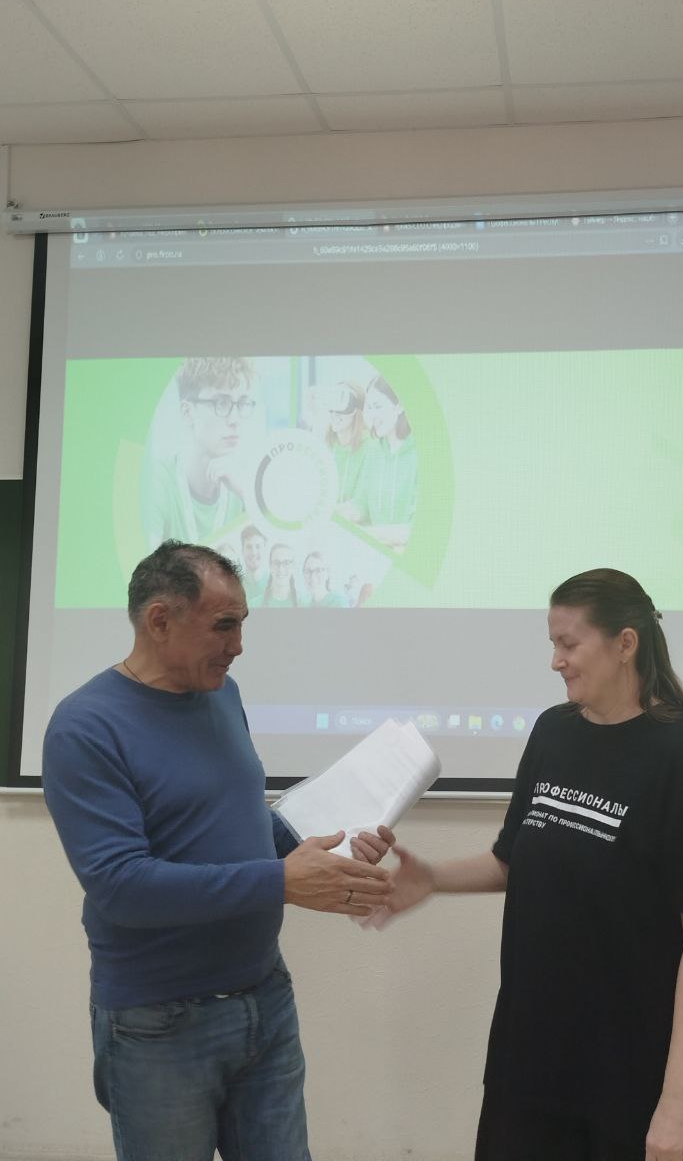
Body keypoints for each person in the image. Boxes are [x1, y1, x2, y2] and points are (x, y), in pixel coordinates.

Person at [42, 541, 395, 1161]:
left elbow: (241, 826)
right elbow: (121, 887)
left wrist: (330, 843)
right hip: (159, 1022)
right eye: (224, 626)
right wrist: (282, 881)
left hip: (265, 997)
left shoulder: (223, 696)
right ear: (159, 620)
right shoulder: (86, 726)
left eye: (242, 625)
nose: (238, 645)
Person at [387, 569, 683, 1161]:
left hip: (636, 1072)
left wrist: (680, 1099)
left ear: (625, 644)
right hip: (534, 1061)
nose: (556, 661)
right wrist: (431, 879)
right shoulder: (553, 733)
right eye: (553, 643)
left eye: (569, 644)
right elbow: (513, 862)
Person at [143, 357, 257, 548]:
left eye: (242, 403)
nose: (235, 419)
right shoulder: (159, 482)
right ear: (187, 412)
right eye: (221, 403)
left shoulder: (244, 486)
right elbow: (140, 564)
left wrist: (248, 495)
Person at [338, 375, 417, 551]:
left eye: (378, 406)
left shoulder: (419, 454)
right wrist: (334, 514)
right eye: (369, 407)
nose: (372, 416)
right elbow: (362, 505)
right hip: (377, 554)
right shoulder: (374, 451)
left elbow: (416, 528)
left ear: (399, 406)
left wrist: (367, 534)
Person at [323, 380, 372, 505]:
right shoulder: (326, 446)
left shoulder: (371, 448)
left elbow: (361, 503)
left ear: (357, 410)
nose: (334, 414)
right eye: (332, 408)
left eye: (341, 408)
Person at [261, 541, 298, 607]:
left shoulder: (304, 603)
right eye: (276, 562)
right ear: (270, 565)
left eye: (286, 562)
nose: (281, 569)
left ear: (293, 565)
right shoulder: (254, 603)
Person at [240, 522, 269, 604]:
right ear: (242, 550)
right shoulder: (235, 586)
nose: (253, 552)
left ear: (264, 550)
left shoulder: (275, 584)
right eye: (249, 547)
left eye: (258, 546)